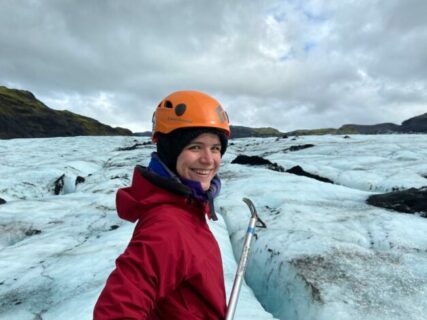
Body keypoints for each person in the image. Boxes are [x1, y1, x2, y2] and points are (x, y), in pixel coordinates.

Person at [93, 90, 231, 320]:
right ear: (169, 152)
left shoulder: (187, 209)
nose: (208, 159)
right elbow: (116, 310)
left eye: (215, 148)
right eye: (195, 147)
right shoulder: (167, 225)